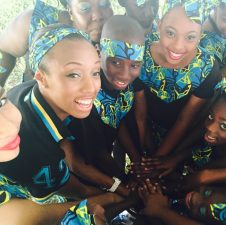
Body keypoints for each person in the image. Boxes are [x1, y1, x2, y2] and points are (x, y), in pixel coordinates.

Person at [2, 24, 129, 202]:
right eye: (74, 75)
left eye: (95, 72)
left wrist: (118, 185)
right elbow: (80, 192)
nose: (91, 87)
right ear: (41, 78)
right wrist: (123, 197)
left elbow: (70, 155)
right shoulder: (37, 151)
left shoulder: (47, 97)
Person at [0, 85, 119, 225]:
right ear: (42, 78)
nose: (9, 127)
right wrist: (119, 196)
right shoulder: (37, 150)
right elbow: (46, 215)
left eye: (1, 103)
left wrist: (117, 195)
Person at [132, 1, 219, 165]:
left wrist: (157, 161)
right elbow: (140, 116)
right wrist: (146, 154)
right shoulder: (140, 55)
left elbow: (184, 120)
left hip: (181, 140)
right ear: (159, 26)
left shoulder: (207, 68)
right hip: (145, 130)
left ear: (201, 35)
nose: (178, 46)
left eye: (190, 37)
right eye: (170, 33)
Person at [68, 15, 146, 188]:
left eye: (134, 65)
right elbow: (96, 154)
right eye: (116, 62)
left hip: (105, 155)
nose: (125, 75)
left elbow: (116, 119)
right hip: (84, 172)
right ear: (98, 52)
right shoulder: (87, 99)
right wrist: (126, 181)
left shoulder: (125, 85)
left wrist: (137, 160)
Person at [0, 0, 113, 85]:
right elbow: (4, 50)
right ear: (70, 10)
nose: (98, 16)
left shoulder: (118, 34)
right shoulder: (38, 21)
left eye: (104, 4)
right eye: (84, 8)